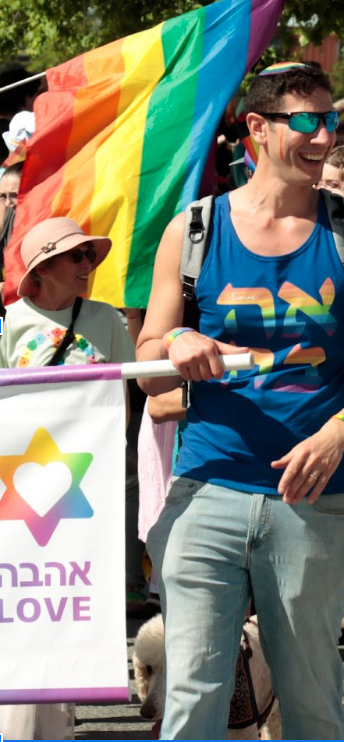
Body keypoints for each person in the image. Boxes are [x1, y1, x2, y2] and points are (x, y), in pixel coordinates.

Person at [135, 62, 344, 739]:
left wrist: (336, 434)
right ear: (257, 128)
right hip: (205, 489)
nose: (324, 136)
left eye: (331, 120)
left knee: (309, 697)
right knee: (193, 692)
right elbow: (146, 367)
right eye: (306, 121)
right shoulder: (192, 231)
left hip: (315, 500)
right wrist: (177, 343)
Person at [0, 217, 135, 740]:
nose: (87, 265)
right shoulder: (8, 323)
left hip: (87, 491)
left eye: (90, 256)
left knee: (69, 605)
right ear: (43, 267)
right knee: (24, 604)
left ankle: (55, 727)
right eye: (75, 257)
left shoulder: (108, 321)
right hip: (16, 493)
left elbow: (121, 400)